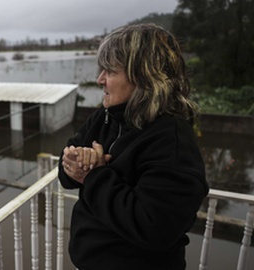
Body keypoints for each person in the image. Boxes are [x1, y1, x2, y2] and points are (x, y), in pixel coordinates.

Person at [58, 23, 209, 270]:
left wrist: (93, 175)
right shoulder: (106, 115)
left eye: (110, 71)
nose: (100, 80)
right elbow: (66, 175)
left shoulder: (173, 142)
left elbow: (154, 227)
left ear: (144, 76)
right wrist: (74, 161)